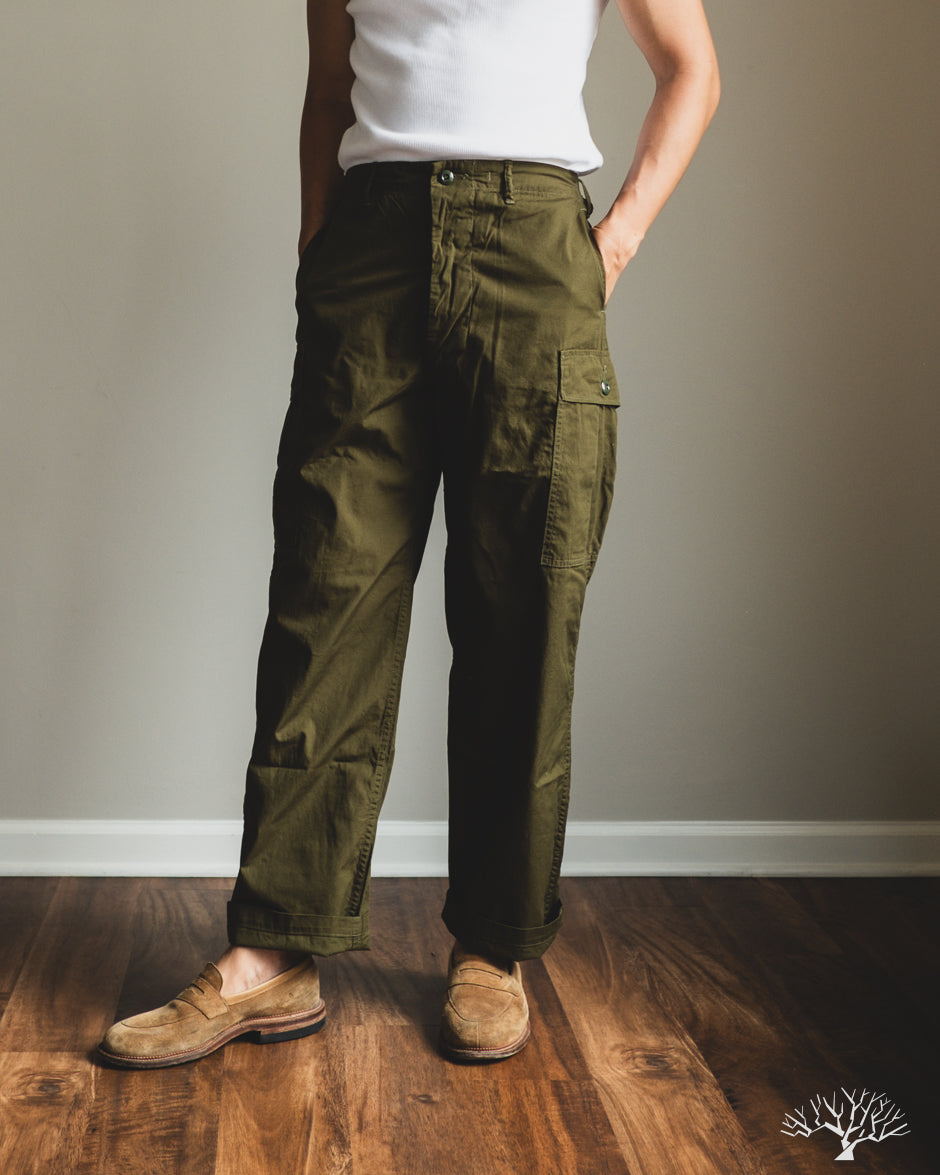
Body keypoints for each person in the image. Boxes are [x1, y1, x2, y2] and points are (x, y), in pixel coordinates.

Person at [99, 0, 719, 1069]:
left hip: (534, 251)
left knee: (522, 614)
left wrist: (609, 245)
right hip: (372, 246)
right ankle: (269, 951)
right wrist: (318, 246)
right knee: (323, 602)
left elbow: (691, 68)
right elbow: (330, 89)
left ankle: (492, 946)